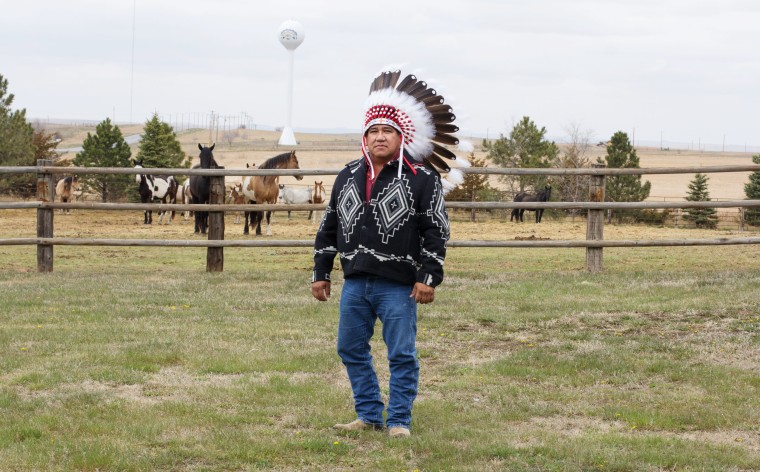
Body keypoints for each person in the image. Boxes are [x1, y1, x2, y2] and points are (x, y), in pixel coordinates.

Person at [311, 68, 465, 438]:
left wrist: (428, 277)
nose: (379, 137)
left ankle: (398, 421)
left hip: (398, 285)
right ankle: (369, 415)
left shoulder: (421, 178)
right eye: (373, 131)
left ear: (401, 136)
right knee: (350, 348)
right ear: (365, 137)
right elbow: (329, 225)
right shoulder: (347, 174)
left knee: (401, 355)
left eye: (387, 131)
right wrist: (321, 271)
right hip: (355, 281)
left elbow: (436, 230)